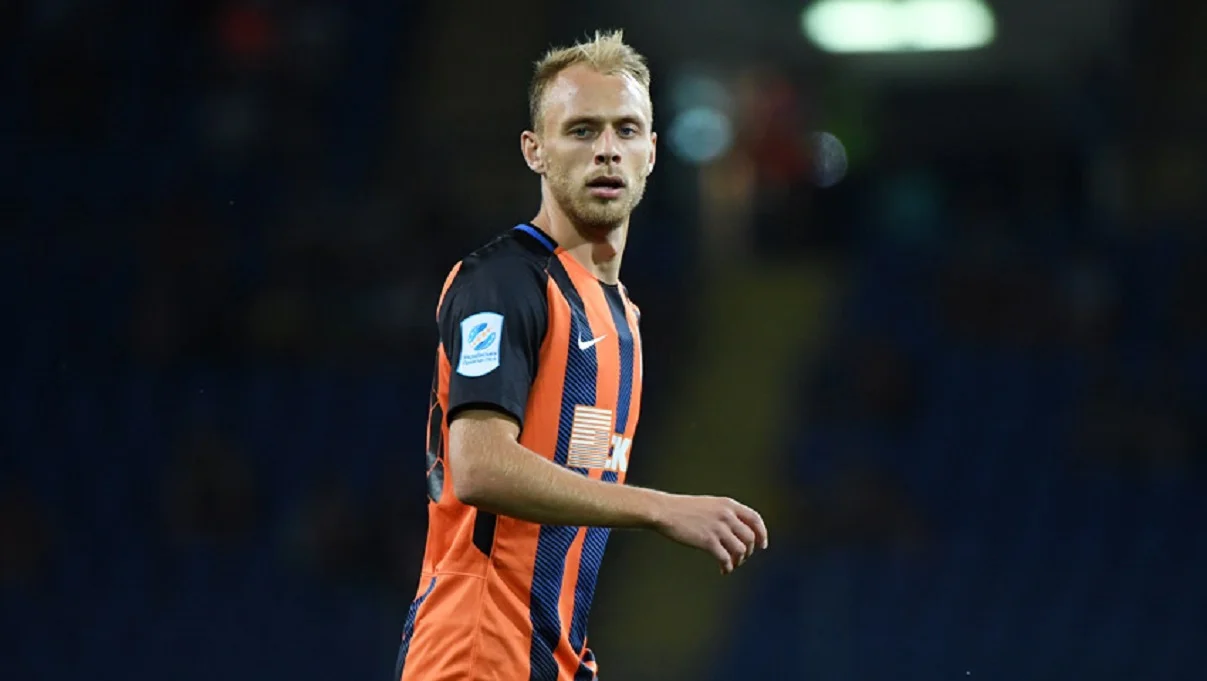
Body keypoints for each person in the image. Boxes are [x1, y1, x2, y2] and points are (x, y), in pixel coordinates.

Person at [395, 30, 769, 681]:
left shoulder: (622, 318)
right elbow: (478, 465)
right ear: (534, 150)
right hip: (475, 650)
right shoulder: (505, 282)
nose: (606, 150)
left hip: (550, 656)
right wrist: (660, 508)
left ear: (651, 152)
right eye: (581, 130)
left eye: (626, 130)